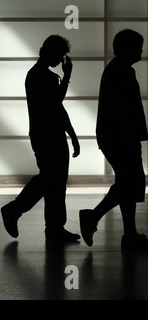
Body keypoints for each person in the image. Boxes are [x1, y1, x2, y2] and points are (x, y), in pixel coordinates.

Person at [0, 35, 81, 243]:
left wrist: (71, 134)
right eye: (60, 54)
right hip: (48, 135)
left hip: (46, 133)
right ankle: (16, 210)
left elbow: (57, 108)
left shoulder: (39, 75)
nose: (61, 59)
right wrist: (68, 76)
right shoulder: (41, 76)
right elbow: (57, 103)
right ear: (51, 52)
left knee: (54, 181)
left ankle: (52, 227)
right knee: (51, 179)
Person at [80, 29, 148, 250]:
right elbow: (121, 108)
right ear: (129, 49)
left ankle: (129, 233)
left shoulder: (117, 69)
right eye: (138, 46)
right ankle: (94, 216)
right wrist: (131, 134)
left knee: (126, 182)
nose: (141, 50)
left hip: (114, 135)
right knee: (130, 182)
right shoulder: (121, 72)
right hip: (120, 136)